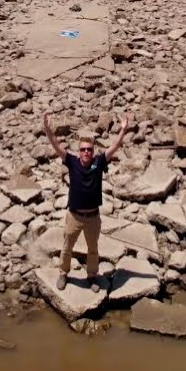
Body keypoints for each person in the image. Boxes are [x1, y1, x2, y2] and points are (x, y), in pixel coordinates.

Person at [43, 110, 134, 293]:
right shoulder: (72, 161)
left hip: (93, 216)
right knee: (67, 246)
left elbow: (114, 146)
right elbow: (55, 146)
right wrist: (47, 128)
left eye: (89, 150)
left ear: (93, 152)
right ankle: (63, 273)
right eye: (83, 149)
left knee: (93, 249)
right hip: (74, 215)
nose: (86, 152)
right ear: (79, 152)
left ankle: (92, 276)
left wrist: (123, 130)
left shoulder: (99, 162)